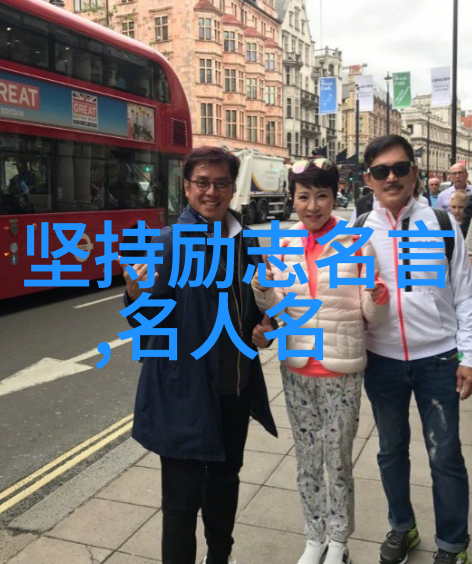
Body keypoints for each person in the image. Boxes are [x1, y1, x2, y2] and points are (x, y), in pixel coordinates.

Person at [119, 146, 277, 564]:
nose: (212, 192)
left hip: (234, 390)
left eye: (221, 183)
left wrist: (267, 329)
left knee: (225, 483)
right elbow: (147, 328)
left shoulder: (248, 242)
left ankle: (219, 557)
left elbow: (260, 310)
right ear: (187, 188)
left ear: (232, 188)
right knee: (181, 503)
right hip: (183, 395)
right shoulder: (168, 244)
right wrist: (136, 295)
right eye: (202, 183)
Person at [251, 158, 388, 564]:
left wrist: (377, 298)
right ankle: (315, 537)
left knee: (338, 460)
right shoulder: (285, 244)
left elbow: (371, 313)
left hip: (340, 370)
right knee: (307, 459)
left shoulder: (356, 242)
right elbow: (277, 307)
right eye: (304, 197)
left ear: (334, 196)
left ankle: (339, 540)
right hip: (296, 369)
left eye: (322, 196)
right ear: (293, 199)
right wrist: (263, 290)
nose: (312, 206)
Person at [357, 134, 472, 564]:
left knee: (445, 455)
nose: (391, 177)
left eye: (400, 168)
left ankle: (453, 545)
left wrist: (468, 357)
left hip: (438, 360)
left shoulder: (441, 224)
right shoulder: (358, 230)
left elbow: (464, 293)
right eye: (381, 171)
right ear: (368, 179)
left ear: (415, 172)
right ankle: (402, 527)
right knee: (390, 451)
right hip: (381, 361)